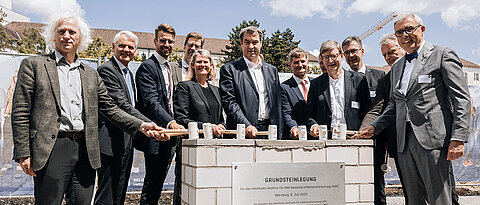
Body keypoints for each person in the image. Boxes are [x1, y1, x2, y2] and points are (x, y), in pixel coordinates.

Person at [11, 13, 164, 205]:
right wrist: (23, 152)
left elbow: (110, 109)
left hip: (86, 150)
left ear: (80, 38)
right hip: (52, 148)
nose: (67, 35)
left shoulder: (90, 74)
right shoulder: (34, 65)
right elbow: (20, 111)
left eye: (72, 32)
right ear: (53, 36)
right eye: (61, 31)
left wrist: (142, 125)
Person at [360, 13, 470, 204]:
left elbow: (461, 98)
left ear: (422, 29)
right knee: (413, 199)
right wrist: (375, 126)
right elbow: (395, 104)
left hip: (433, 142)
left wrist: (458, 138)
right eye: (399, 32)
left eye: (409, 29)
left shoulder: (442, 54)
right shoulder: (397, 67)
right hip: (404, 143)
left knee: (440, 199)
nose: (405, 36)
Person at [95, 31, 152, 205]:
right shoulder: (107, 70)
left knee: (119, 191)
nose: (126, 50)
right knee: (107, 194)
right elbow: (122, 105)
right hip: (110, 142)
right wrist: (149, 124)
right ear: (113, 47)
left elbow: (132, 105)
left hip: (126, 140)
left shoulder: (128, 73)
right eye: (122, 46)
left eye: (130, 47)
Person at [135, 24, 184, 205]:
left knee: (159, 183)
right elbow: (151, 102)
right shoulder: (147, 67)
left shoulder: (169, 67)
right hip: (156, 134)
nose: (166, 44)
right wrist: (171, 123)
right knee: (152, 185)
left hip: (170, 135)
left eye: (170, 41)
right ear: (155, 41)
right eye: (162, 40)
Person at [355, 33, 407, 205]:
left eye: (392, 52)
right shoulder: (386, 81)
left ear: (401, 46)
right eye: (385, 55)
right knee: (410, 190)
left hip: (427, 141)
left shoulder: (419, 68)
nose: (388, 57)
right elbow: (377, 108)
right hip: (400, 144)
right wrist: (363, 130)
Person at [220, 26, 283, 139]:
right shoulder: (229, 69)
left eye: (255, 42)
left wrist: (279, 131)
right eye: (247, 42)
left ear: (261, 43)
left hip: (269, 132)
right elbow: (229, 103)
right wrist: (246, 125)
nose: (251, 46)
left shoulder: (272, 70)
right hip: (242, 132)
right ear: (241, 44)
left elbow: (277, 104)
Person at [307, 40, 371, 138]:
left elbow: (367, 110)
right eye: (326, 57)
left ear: (341, 56)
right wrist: (313, 125)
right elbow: (309, 114)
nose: (330, 61)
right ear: (322, 60)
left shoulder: (359, 79)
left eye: (334, 56)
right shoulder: (316, 84)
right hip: (326, 139)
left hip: (353, 137)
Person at [174, 49, 225, 137]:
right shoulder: (184, 87)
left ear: (211, 65)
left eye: (205, 62)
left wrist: (222, 125)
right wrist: (207, 127)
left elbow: (220, 118)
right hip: (194, 141)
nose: (202, 65)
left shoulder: (217, 90)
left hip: (215, 142)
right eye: (199, 62)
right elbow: (181, 119)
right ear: (193, 65)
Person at [281, 48, 315, 139]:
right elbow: (286, 112)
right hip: (296, 136)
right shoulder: (284, 87)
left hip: (317, 134)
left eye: (302, 61)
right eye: (296, 62)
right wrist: (293, 127)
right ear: (290, 65)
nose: (300, 65)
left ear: (307, 62)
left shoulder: (316, 83)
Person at [342, 36, 385, 102]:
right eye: (347, 52)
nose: (350, 55)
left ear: (362, 51)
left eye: (353, 51)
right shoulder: (342, 81)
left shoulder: (379, 76)